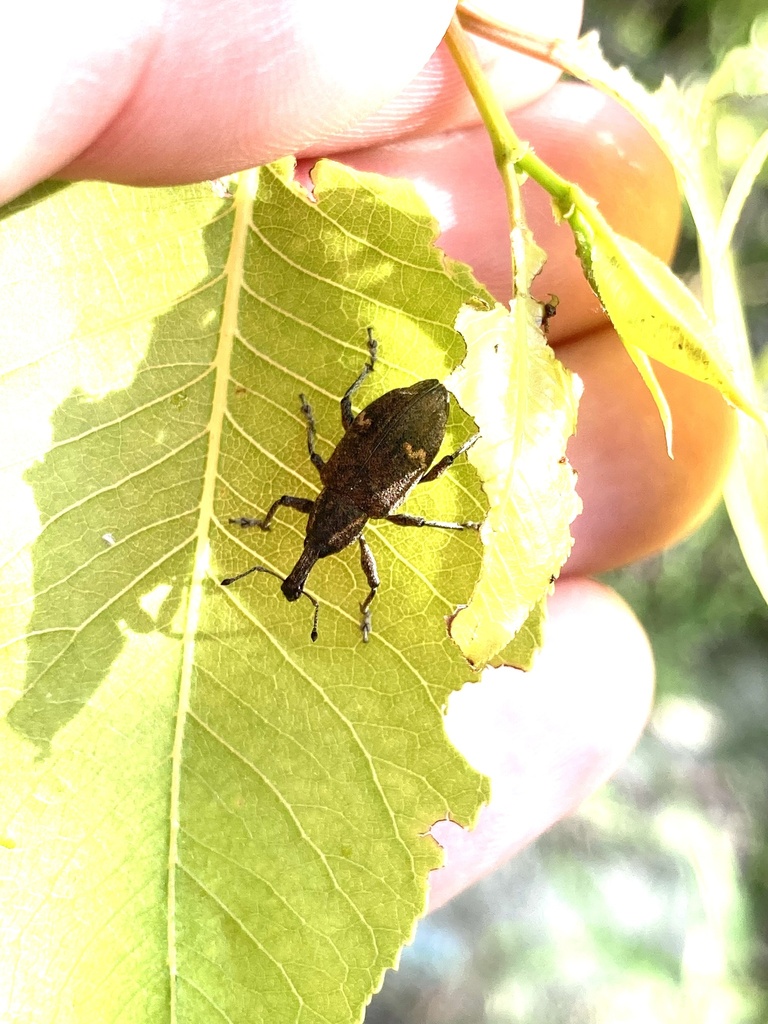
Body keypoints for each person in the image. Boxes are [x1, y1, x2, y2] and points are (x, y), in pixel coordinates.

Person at [4, 0, 734, 909]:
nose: (311, 546)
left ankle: (401, 413)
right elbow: (329, 503)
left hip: (390, 433)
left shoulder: (343, 507)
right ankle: (400, 425)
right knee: (360, 449)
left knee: (359, 437)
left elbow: (332, 488)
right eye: (316, 549)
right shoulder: (341, 509)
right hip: (389, 445)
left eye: (313, 545)